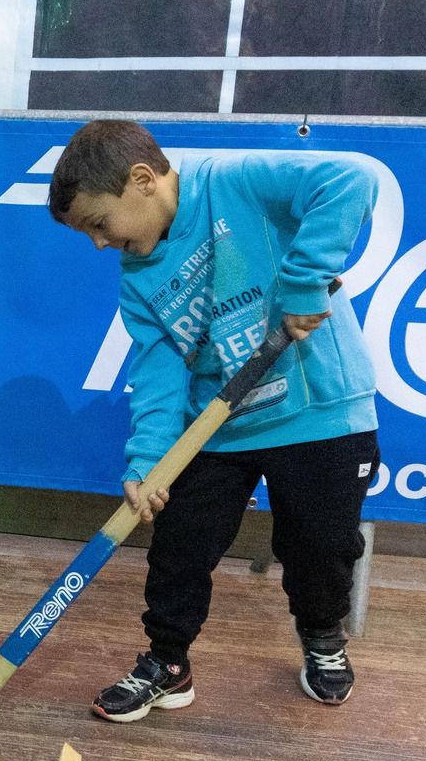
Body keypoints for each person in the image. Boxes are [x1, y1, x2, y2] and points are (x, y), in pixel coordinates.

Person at [47, 120, 379, 721]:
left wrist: (304, 278)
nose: (98, 243)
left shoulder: (236, 182)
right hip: (218, 427)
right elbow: (159, 373)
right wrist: (148, 462)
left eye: (99, 224)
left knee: (320, 547)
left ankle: (324, 635)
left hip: (318, 412)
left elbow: (349, 179)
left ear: (143, 181)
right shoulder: (138, 278)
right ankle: (167, 663)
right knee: (179, 544)